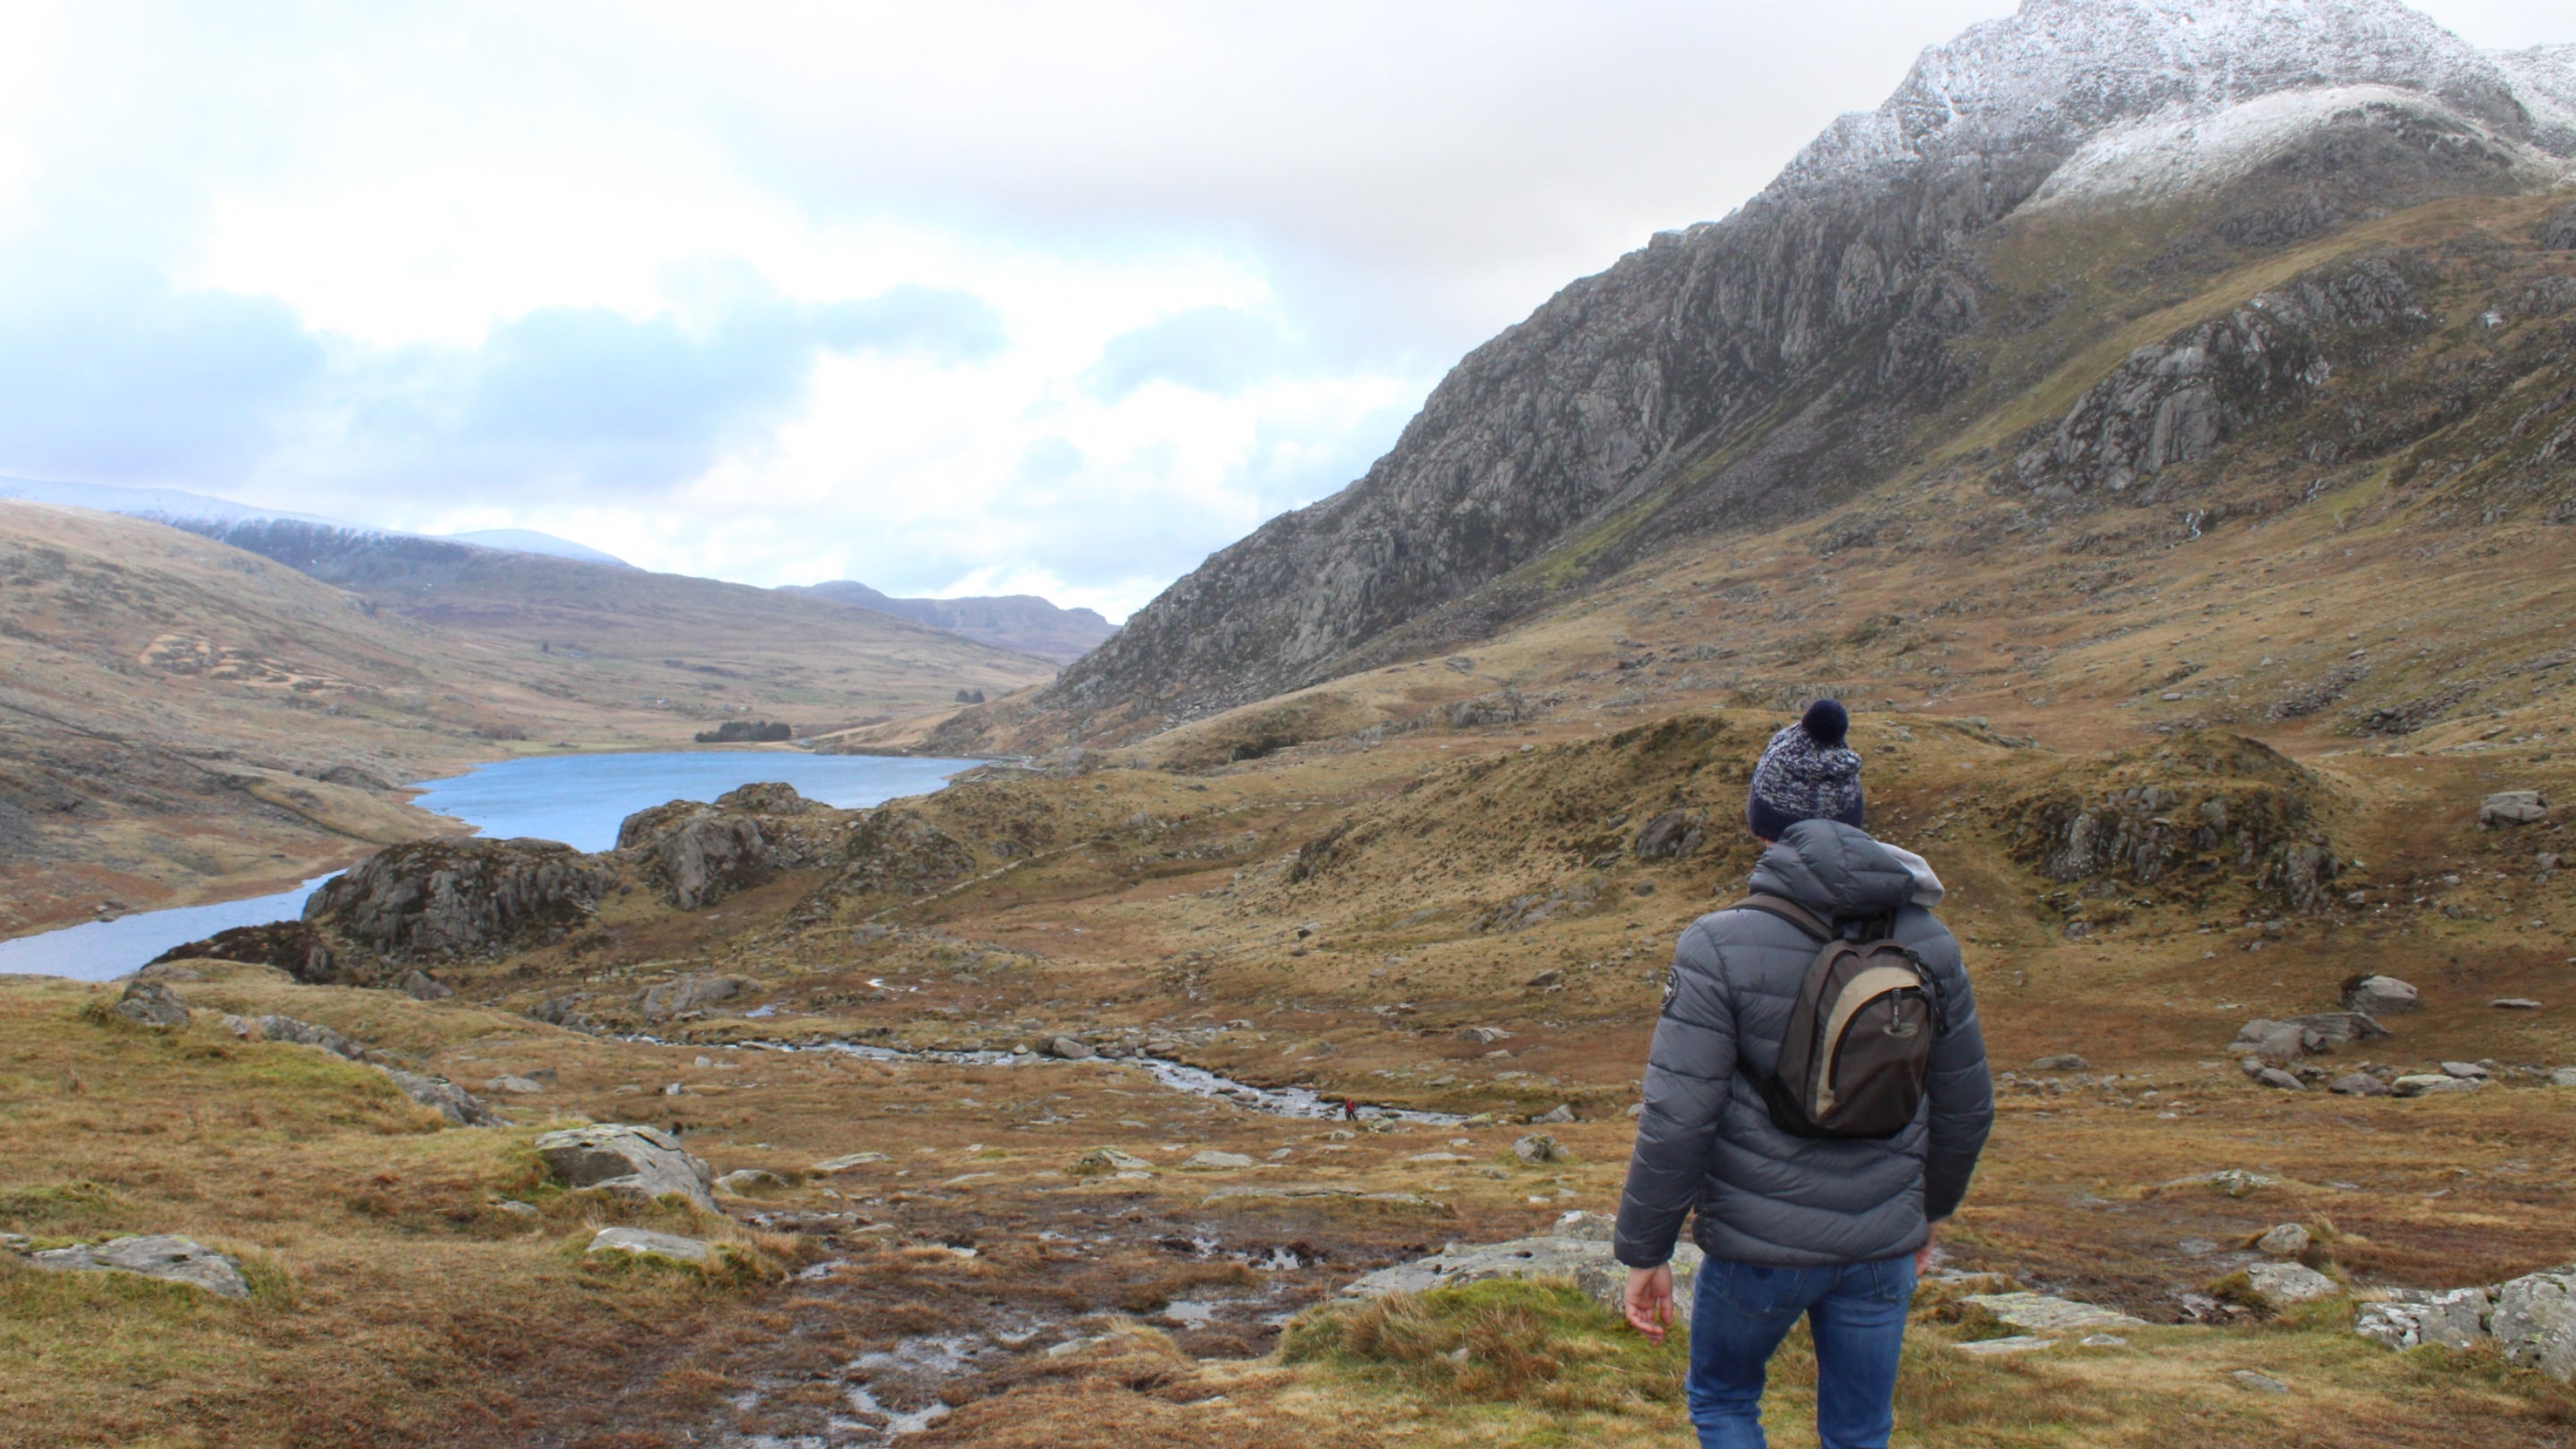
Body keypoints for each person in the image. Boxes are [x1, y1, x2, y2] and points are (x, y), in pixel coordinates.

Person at [1613, 699, 1992, 1449]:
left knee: (1723, 1402)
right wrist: (1927, 1214)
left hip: (1758, 1250)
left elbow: (1678, 1119)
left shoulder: (1718, 945)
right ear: (1855, 820)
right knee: (1859, 1432)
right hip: (1883, 1244)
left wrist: (1645, 1252)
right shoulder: (1931, 942)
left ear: (1763, 825)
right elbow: (1966, 1105)